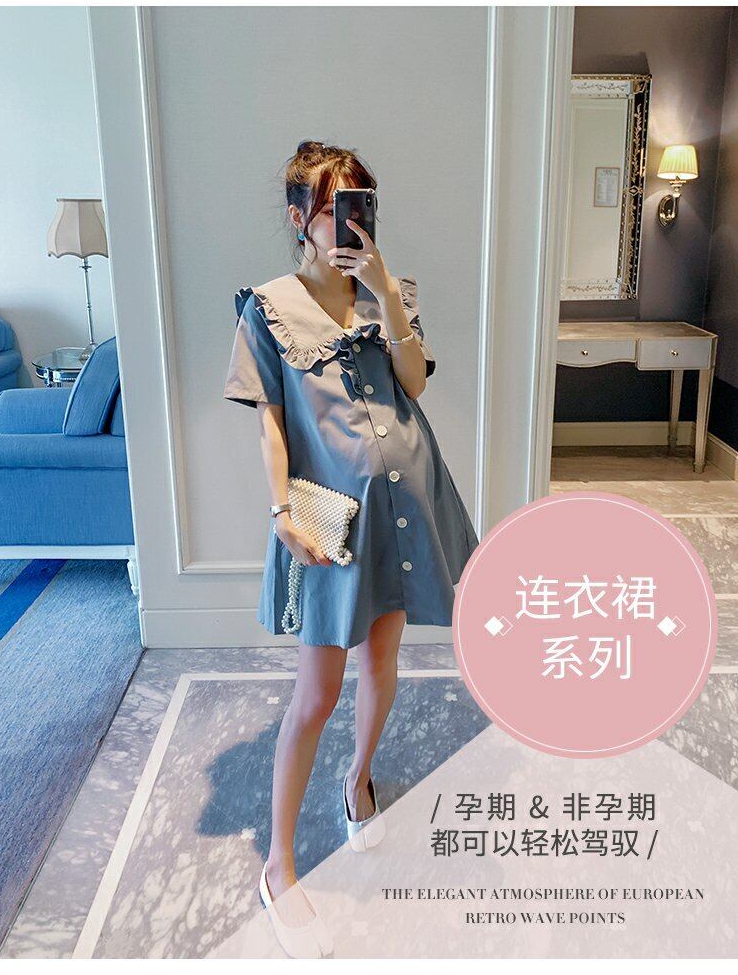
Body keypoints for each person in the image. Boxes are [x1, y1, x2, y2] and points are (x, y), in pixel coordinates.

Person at [223, 140, 479, 957]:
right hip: (328, 515)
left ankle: (358, 779)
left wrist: (384, 291)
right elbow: (270, 420)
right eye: (334, 207)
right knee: (316, 694)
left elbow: (415, 384)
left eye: (361, 205)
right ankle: (279, 866)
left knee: (383, 661)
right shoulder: (266, 308)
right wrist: (279, 512)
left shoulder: (390, 294)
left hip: (406, 503)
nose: (348, 222)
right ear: (299, 216)